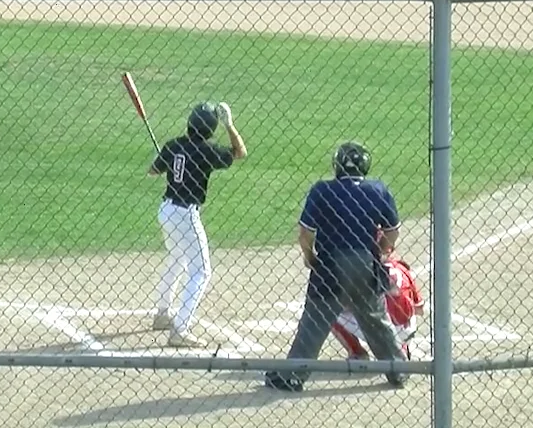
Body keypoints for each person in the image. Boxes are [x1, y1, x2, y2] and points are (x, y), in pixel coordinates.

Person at [264, 140, 408, 392]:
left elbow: (305, 234)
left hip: (331, 263)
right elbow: (392, 232)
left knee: (315, 319)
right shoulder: (378, 189)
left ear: (337, 165)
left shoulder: (322, 190)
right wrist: (381, 250)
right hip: (365, 262)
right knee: (375, 318)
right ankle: (397, 370)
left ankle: (293, 377)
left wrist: (310, 256)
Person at [148, 101, 247, 348]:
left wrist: (167, 158)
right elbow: (240, 152)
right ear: (210, 128)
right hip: (186, 214)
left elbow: (153, 171)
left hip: (166, 210)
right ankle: (180, 329)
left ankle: (162, 313)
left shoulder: (173, 145)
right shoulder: (208, 151)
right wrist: (230, 125)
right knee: (201, 272)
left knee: (177, 257)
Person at [332, 241, 425, 361]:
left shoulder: (364, 270)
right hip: (406, 328)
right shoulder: (402, 268)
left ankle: (357, 353)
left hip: (377, 330)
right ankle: (401, 346)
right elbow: (419, 309)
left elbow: (343, 305)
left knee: (329, 310)